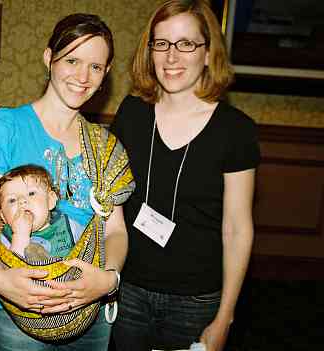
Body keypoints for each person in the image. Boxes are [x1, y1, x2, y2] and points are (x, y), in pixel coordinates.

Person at [0, 13, 132, 350]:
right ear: (49, 58)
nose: (82, 76)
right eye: (72, 59)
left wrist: (107, 280)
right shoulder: (6, 126)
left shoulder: (105, 147)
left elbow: (115, 230)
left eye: (95, 66)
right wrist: (0, 278)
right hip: (16, 307)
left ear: (105, 74)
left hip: (89, 310)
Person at [110, 1, 260, 351]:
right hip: (127, 288)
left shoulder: (236, 130)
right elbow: (108, 199)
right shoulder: (130, 114)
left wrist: (225, 316)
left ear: (208, 54)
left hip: (196, 302)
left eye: (186, 44)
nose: (171, 56)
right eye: (161, 43)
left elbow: (237, 228)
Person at [0, 164, 74, 261]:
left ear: (50, 200)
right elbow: (11, 270)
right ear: (3, 217)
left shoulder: (69, 226)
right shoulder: (4, 240)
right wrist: (20, 236)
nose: (22, 201)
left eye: (31, 193)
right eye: (12, 200)